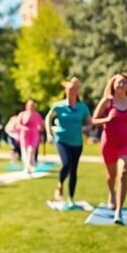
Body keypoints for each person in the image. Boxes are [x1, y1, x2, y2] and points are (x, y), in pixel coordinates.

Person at [92, 73, 127, 224]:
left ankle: (119, 211)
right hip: (108, 143)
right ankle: (111, 193)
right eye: (119, 82)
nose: (122, 85)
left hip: (126, 143)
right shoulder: (107, 101)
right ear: (113, 85)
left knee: (123, 173)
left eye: (125, 83)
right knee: (111, 176)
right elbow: (94, 120)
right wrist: (107, 119)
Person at [45, 77, 92, 206]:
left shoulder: (82, 107)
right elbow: (48, 118)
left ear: (77, 91)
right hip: (61, 140)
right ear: (66, 91)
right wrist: (49, 133)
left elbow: (90, 123)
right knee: (66, 164)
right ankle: (59, 186)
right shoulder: (58, 105)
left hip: (77, 142)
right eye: (69, 89)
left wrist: (85, 128)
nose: (71, 91)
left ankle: (71, 198)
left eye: (74, 89)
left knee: (74, 170)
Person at [18, 100, 44, 175]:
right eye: (30, 105)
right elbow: (18, 124)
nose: (31, 107)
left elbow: (41, 125)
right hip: (25, 134)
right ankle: (28, 165)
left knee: (31, 150)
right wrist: (23, 128)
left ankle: (28, 166)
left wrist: (40, 128)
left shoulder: (37, 115)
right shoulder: (22, 114)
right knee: (25, 151)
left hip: (34, 134)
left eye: (32, 105)